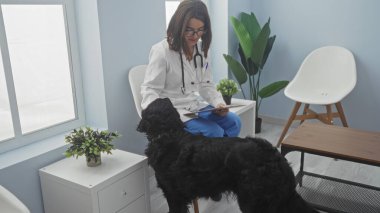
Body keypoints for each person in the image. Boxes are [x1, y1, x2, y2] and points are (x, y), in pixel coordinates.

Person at [141, 0, 241, 138]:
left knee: (234, 122)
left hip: (194, 106)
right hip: (174, 111)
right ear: (179, 25)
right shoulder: (161, 51)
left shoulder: (202, 50)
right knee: (214, 132)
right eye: (189, 30)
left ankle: (217, 155)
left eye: (200, 30)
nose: (195, 36)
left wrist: (218, 103)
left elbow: (206, 84)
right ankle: (212, 156)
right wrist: (163, 116)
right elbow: (150, 90)